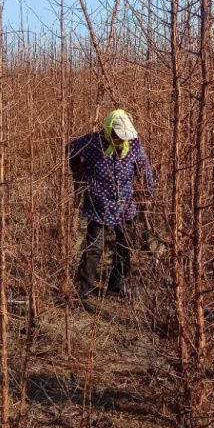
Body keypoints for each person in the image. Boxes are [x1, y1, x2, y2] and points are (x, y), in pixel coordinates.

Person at [68, 109, 154, 299]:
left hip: (125, 205)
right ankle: (83, 290)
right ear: (109, 130)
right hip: (99, 204)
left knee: (124, 247)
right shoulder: (90, 142)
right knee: (94, 249)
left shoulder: (133, 144)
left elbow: (145, 168)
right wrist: (79, 175)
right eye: (116, 136)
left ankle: (116, 287)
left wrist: (147, 192)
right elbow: (71, 150)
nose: (120, 140)